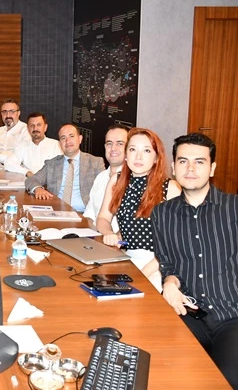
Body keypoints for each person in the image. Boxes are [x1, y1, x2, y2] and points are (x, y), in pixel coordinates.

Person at [152, 133, 238, 388]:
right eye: (183, 161)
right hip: (188, 314)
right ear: (173, 166)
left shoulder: (233, 208)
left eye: (199, 162)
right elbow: (166, 262)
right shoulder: (162, 213)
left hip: (231, 318)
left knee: (227, 381)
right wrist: (169, 282)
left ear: (212, 168)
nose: (190, 168)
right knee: (165, 376)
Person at [96, 127, 180, 290]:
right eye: (133, 149)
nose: (138, 156)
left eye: (147, 150)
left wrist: (142, 274)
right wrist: (108, 233)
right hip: (126, 257)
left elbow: (175, 244)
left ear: (156, 158)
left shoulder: (170, 188)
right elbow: (103, 218)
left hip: (158, 264)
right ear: (126, 155)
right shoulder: (117, 180)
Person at [25, 123, 104, 212]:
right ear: (59, 144)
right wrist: (37, 189)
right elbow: (30, 180)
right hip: (56, 212)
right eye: (63, 138)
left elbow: (105, 190)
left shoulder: (95, 162)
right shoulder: (51, 164)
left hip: (85, 213)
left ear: (80, 139)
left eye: (71, 136)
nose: (68, 141)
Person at [83, 124, 129, 230]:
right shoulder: (100, 177)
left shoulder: (134, 181)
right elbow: (89, 214)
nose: (113, 148)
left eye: (120, 143)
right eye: (109, 143)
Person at [0, 113, 62, 177]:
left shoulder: (56, 145)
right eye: (32, 125)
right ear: (28, 129)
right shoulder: (22, 146)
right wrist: (27, 172)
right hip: (29, 181)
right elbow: (9, 164)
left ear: (45, 127)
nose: (35, 129)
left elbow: (62, 167)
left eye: (39, 125)